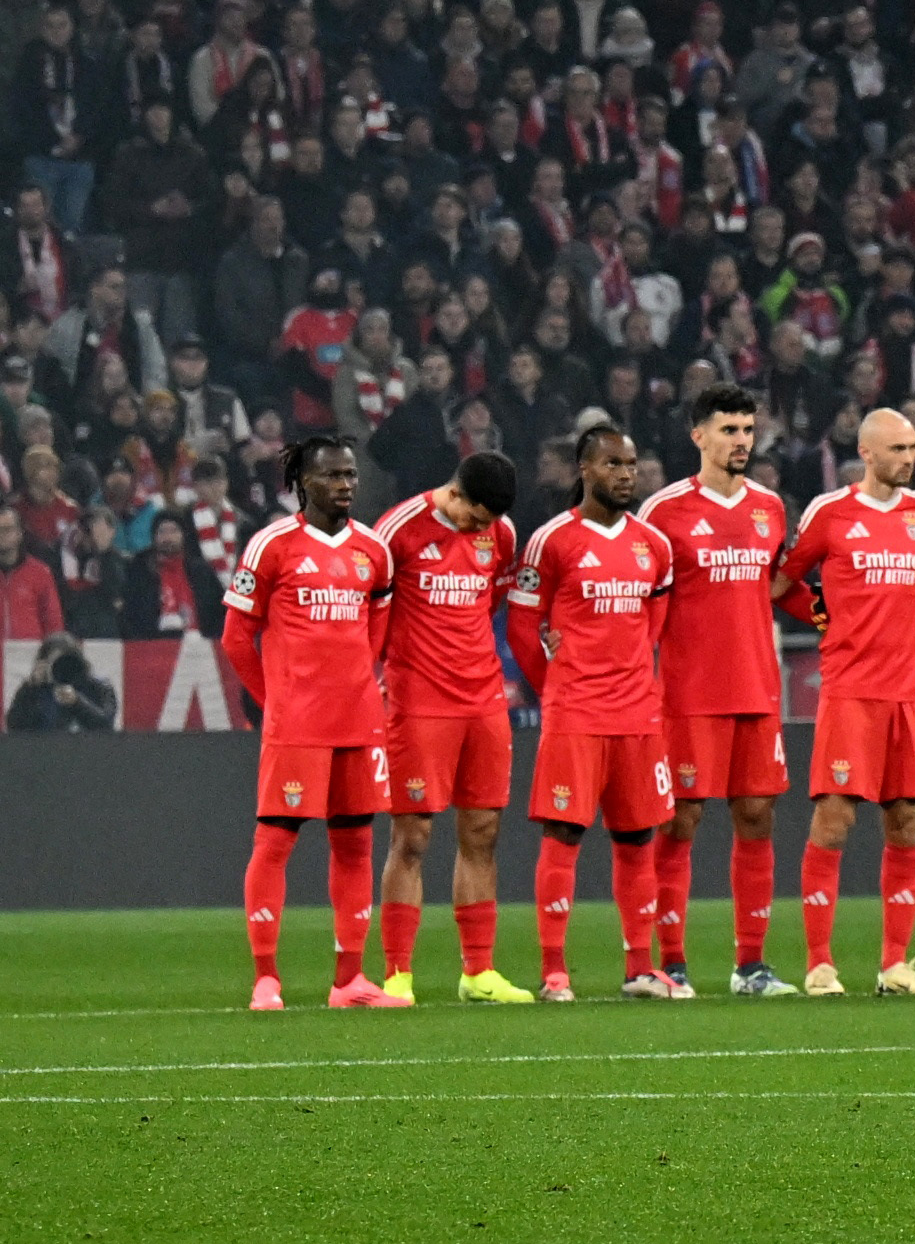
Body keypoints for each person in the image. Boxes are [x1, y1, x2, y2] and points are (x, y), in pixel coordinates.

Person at [217, 432, 397, 1013]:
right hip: (297, 724)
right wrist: (275, 700)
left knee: (356, 845)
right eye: (332, 475)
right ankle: (266, 979)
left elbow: (374, 633)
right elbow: (236, 638)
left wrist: (357, 686)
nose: (345, 485)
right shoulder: (271, 545)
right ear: (303, 482)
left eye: (350, 475)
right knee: (275, 841)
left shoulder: (374, 551)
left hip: (359, 723)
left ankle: (349, 981)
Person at [510, 421, 689, 1001]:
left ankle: (639, 968)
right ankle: (554, 972)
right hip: (576, 716)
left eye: (631, 465)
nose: (625, 475)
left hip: (636, 717)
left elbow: (652, 625)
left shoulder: (653, 546)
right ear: (584, 469)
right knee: (564, 833)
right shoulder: (552, 541)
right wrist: (556, 686)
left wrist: (633, 680)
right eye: (613, 464)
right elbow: (521, 627)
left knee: (637, 838)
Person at [773, 406, 915, 994]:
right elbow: (781, 582)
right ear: (866, 453)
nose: (908, 458)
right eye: (897, 449)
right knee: (835, 818)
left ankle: (895, 965)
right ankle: (820, 964)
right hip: (850, 690)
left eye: (912, 448)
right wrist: (821, 614)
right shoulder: (830, 513)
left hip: (910, 692)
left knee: (906, 820)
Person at [642, 383, 800, 998]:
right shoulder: (664, 512)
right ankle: (673, 964)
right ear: (698, 436)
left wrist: (828, 610)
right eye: (729, 430)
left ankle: (751, 966)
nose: (742, 441)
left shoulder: (769, 507)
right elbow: (641, 598)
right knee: (681, 820)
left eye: (747, 430)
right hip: (688, 694)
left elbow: (779, 583)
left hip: (756, 688)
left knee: (757, 816)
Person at [373, 449, 530, 1005]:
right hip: (418, 703)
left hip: (483, 700)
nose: (478, 529)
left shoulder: (501, 534)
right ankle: (398, 974)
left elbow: (492, 601)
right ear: (455, 493)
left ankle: (478, 972)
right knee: (413, 836)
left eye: (488, 523)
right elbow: (372, 609)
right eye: (473, 517)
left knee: (483, 832)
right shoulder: (397, 530)